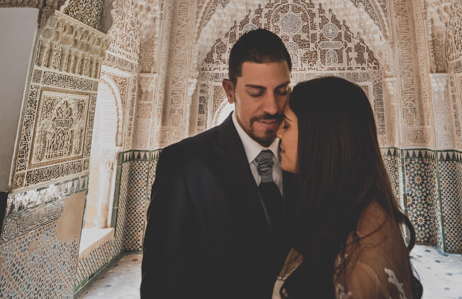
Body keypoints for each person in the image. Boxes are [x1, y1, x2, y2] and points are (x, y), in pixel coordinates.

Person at [141, 28, 296, 299]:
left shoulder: (306, 157)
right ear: (229, 90)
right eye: (256, 93)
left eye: (281, 91)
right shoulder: (184, 164)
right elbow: (162, 284)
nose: (272, 107)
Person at [274, 76, 423, 299]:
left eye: (286, 125)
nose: (278, 133)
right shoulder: (341, 212)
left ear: (320, 136)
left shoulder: (364, 253)